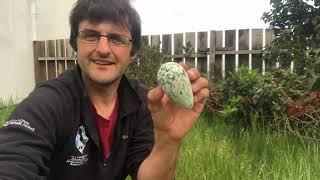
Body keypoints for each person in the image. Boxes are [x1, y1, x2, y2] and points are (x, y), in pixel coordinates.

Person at [0, 0, 209, 179]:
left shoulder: (142, 103)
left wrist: (168, 140)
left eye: (116, 39)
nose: (102, 49)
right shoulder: (49, 102)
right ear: (75, 44)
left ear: (133, 51)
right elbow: (12, 160)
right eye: (90, 35)